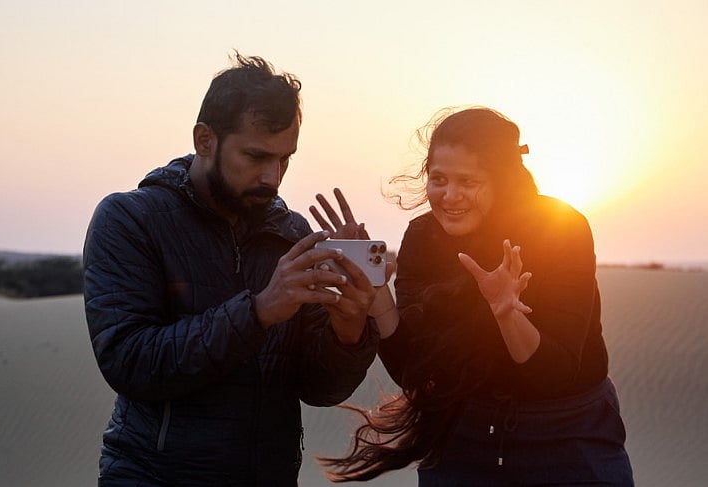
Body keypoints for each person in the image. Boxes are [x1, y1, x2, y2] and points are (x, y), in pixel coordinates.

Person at [82, 52, 381, 486]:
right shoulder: (130, 219)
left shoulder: (291, 232)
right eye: (256, 156)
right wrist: (258, 311)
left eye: (285, 159)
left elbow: (320, 389)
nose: (273, 176)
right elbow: (130, 363)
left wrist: (349, 328)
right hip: (155, 477)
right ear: (205, 140)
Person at [312, 107, 634, 485]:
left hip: (566, 438)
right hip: (462, 439)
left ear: (502, 182)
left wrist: (506, 313)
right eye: (439, 179)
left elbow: (556, 376)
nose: (450, 196)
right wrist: (378, 296)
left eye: (468, 181)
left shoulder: (561, 230)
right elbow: (415, 373)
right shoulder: (423, 237)